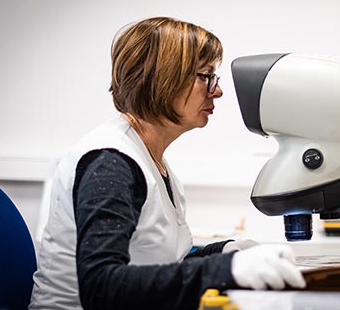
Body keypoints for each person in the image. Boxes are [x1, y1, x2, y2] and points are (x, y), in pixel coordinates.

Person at [29, 16, 305, 310]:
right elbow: (101, 286)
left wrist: (223, 253)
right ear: (163, 79)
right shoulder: (110, 162)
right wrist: (225, 270)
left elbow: (157, 262)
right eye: (205, 76)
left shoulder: (151, 161)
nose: (218, 90)